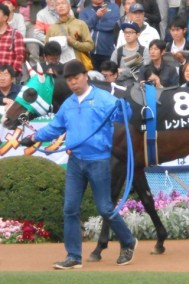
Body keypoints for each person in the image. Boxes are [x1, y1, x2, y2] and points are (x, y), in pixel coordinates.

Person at [20, 59, 138, 269]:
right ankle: (74, 256)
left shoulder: (103, 99)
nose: (73, 83)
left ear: (85, 76)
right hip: (75, 161)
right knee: (70, 209)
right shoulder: (69, 103)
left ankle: (128, 242)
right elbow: (55, 127)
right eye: (70, 80)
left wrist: (125, 104)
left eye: (76, 78)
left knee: (104, 207)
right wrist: (34, 137)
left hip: (98, 161)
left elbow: (124, 115)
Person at [45, 0, 94, 65]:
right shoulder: (51, 29)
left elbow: (90, 46)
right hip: (59, 67)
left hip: (79, 65)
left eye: (63, 3)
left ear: (69, 6)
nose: (61, 6)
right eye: (57, 5)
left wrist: (73, 42)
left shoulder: (80, 24)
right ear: (55, 9)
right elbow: (47, 51)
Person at [79, 0, 120, 70]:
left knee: (108, 76)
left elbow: (113, 25)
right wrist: (96, 16)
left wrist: (93, 25)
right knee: (93, 77)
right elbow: (83, 28)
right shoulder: (84, 11)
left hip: (109, 51)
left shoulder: (114, 7)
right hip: (90, 53)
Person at [111, 21, 150, 85]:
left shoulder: (144, 51)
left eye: (131, 32)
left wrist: (123, 71)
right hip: (120, 85)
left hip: (138, 87)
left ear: (138, 34)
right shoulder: (118, 51)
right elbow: (112, 70)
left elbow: (142, 70)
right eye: (125, 32)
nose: (127, 35)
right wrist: (133, 69)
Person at [165, 15, 189, 84]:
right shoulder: (167, 48)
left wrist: (183, 61)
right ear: (169, 31)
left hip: (187, 84)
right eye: (173, 30)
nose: (175, 33)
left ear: (184, 30)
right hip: (170, 84)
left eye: (178, 30)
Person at [0, 3, 25, 77]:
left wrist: (10, 74)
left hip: (9, 77)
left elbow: (19, 57)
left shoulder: (15, 34)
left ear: (5, 18)